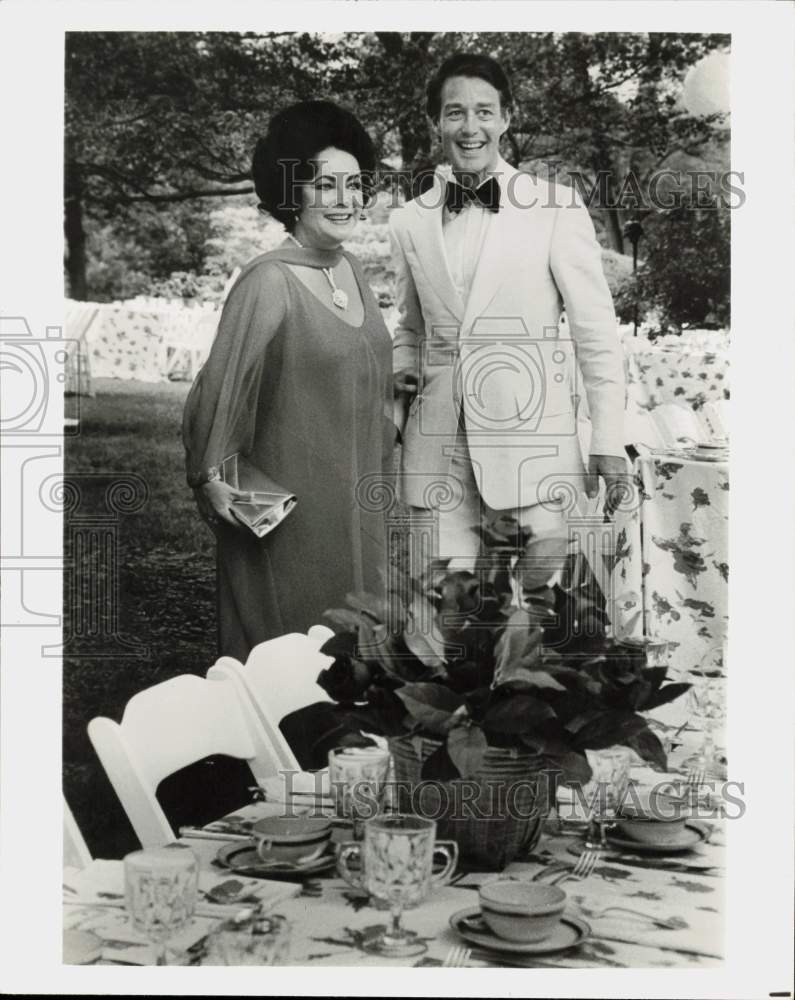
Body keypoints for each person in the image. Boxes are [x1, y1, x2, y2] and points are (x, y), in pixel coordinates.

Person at [390, 52, 627, 570]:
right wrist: (400, 368)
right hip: (437, 460)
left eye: (484, 111)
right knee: (441, 619)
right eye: (454, 112)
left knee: (531, 624)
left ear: (506, 117)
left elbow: (596, 334)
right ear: (436, 122)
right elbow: (409, 326)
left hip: (535, 458)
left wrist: (608, 439)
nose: (469, 127)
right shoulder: (409, 220)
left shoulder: (556, 208)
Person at [183, 101, 395, 662]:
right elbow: (219, 391)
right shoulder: (269, 282)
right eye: (325, 184)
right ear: (292, 192)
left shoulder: (351, 271)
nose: (346, 199)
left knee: (359, 662)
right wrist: (209, 476)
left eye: (355, 184)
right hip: (292, 519)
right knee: (297, 667)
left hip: (359, 504)